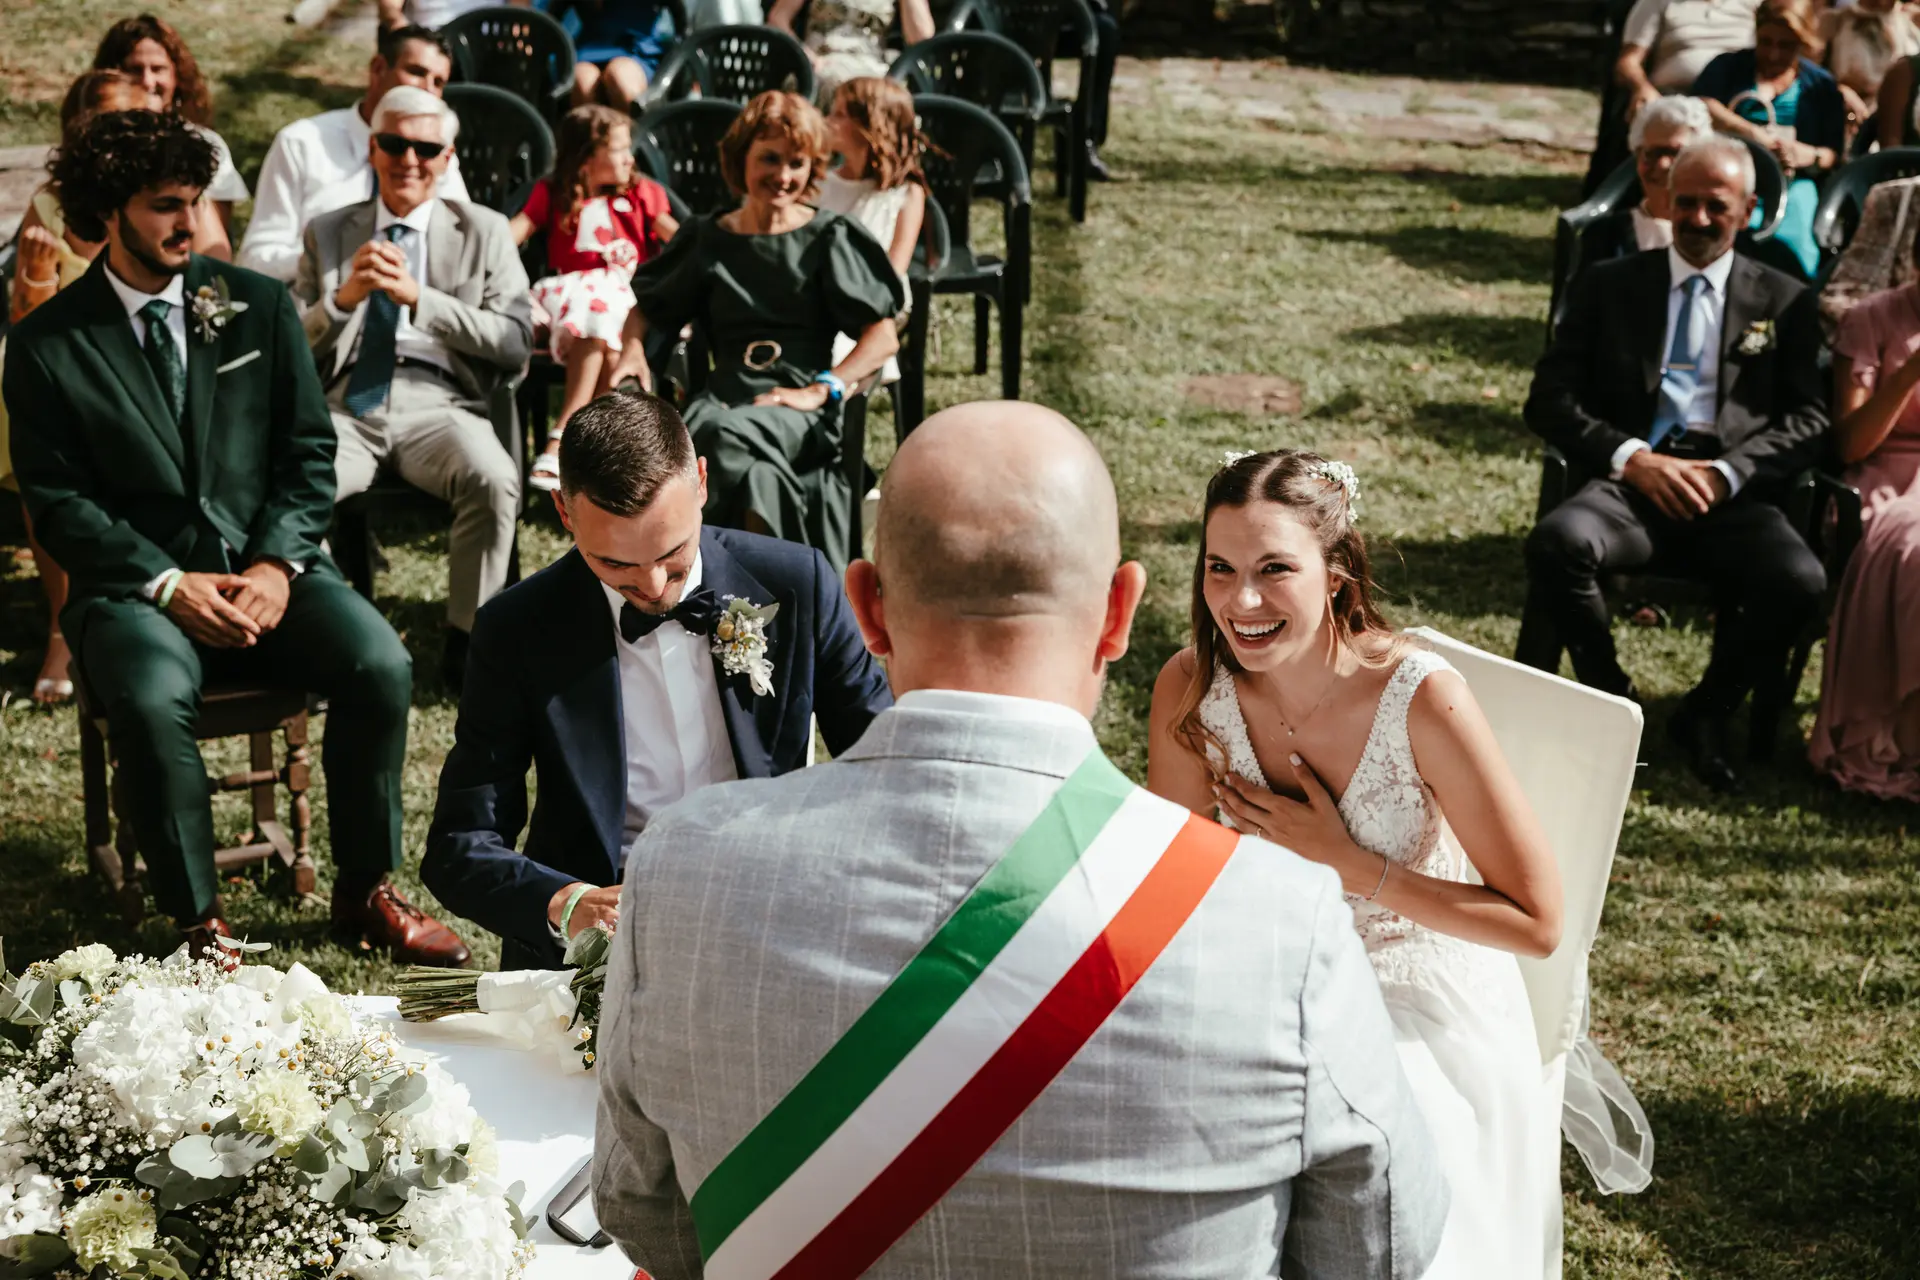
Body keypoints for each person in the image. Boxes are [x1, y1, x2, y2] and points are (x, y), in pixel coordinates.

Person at [590, 401, 1450, 1278]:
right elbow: (1376, 1249)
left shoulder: (678, 872)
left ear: (867, 613)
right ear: (1120, 614)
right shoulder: (1278, 921)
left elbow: (644, 1216)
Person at [2, 110, 468, 966]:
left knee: (381, 664)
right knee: (146, 698)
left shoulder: (252, 305)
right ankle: (199, 927)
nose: (188, 223)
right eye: (163, 206)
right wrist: (169, 583)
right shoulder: (45, 347)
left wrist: (277, 566)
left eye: (195, 202)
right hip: (135, 593)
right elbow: (60, 505)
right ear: (110, 212)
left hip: (269, 569)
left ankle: (366, 892)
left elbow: (306, 452)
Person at [1146, 449, 1574, 1279]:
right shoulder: (1191, 688)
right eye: (1220, 568)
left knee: (1371, 1167)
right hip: (1259, 975)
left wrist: (1352, 866)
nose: (1241, 602)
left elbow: (1537, 921)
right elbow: (1175, 883)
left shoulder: (1418, 696)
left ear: (1337, 573)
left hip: (1410, 991)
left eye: (1276, 570)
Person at [422, 390, 892, 969]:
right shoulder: (515, 628)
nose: (651, 586)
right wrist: (568, 905)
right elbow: (459, 846)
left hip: (771, 911)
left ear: (700, 482)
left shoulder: (798, 583)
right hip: (602, 942)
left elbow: (886, 762)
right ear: (565, 514)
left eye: (672, 554)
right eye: (615, 564)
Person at [1521, 137, 1830, 793]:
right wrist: (1634, 460)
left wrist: (1729, 472)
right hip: (1630, 486)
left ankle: (1705, 713)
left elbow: (1810, 419)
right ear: (1664, 203)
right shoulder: (1609, 285)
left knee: (1800, 581)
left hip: (1730, 496)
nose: (1695, 219)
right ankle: (1613, 700)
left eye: (1714, 207)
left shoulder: (1785, 300)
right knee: (1557, 542)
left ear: (1747, 210)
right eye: (1683, 203)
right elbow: (1549, 399)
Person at [293, 86, 533, 691]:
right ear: (372, 150)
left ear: (448, 158)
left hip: (440, 401)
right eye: (394, 144)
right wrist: (341, 301)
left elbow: (513, 341)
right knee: (295, 492)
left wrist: (422, 301)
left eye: (425, 148)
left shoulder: (485, 231)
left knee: (493, 476)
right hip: (348, 403)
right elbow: (291, 349)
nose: (409, 159)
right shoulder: (329, 231)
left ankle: (467, 643)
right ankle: (325, 635)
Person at [609, 92, 905, 570]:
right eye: (769, 158)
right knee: (755, 472)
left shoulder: (829, 237)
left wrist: (821, 388)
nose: (783, 176)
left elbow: (883, 336)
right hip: (725, 395)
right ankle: (780, 602)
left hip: (798, 407)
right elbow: (648, 308)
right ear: (740, 157)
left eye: (798, 163)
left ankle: (732, 594)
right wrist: (632, 352)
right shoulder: (708, 237)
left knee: (719, 439)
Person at [3, 71, 169, 706]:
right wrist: (39, 278)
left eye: (125, 120)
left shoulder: (162, 198)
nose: (109, 133)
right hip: (63, 364)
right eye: (98, 119)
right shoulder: (48, 205)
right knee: (38, 421)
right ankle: (60, 628)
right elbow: (25, 321)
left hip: (143, 363)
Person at [510, 104, 677, 492]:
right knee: (598, 299)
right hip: (568, 296)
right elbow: (511, 233)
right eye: (619, 149)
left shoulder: (643, 194)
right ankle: (577, 444)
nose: (629, 158)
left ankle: (579, 452)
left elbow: (679, 237)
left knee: (609, 337)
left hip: (624, 306)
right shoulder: (553, 192)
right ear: (587, 157)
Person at [239, 24, 469, 283]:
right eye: (416, 72)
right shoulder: (302, 143)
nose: (427, 90)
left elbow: (467, 243)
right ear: (378, 69)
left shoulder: (434, 157)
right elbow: (255, 262)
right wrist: (328, 256)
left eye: (438, 83)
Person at [1808, 279, 1920, 799]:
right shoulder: (1870, 320)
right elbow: (1851, 444)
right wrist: (1908, 375)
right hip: (1885, 481)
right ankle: (1901, 738)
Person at [1692, 0, 1845, 278]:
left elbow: (1834, 153)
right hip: (1728, 176)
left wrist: (1807, 154)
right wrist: (1751, 133)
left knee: (1793, 249)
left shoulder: (1820, 85)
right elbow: (1701, 106)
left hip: (1792, 182)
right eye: (1766, 42)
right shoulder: (1729, 67)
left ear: (1802, 42)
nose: (1773, 54)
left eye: (1785, 46)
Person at [92, 15, 245, 257]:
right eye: (134, 69)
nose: (147, 81)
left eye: (158, 69)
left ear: (177, 76)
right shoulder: (94, 145)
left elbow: (214, 252)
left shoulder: (205, 145)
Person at [819, 77, 927, 384]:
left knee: (832, 347)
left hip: (876, 301)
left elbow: (894, 269)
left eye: (839, 115)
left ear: (870, 127)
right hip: (820, 292)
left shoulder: (904, 193)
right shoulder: (821, 185)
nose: (828, 121)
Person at [1617, 0, 1765, 118]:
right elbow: (1628, 61)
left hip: (1737, 101)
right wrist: (1642, 88)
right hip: (1674, 101)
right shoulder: (1656, 3)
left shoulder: (1754, 4)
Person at [768, 0, 933, 102]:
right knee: (830, 82)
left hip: (870, 64)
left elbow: (921, 38)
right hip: (819, 60)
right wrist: (804, 54)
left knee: (884, 95)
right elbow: (778, 18)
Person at [555, 0, 677, 111]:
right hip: (591, 48)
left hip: (636, 47)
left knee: (621, 78)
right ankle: (594, 134)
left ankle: (632, 132)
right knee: (583, 83)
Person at [1824, 0, 1920, 122]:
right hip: (1853, 118)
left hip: (1904, 121)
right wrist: (1840, 90)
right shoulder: (1835, 21)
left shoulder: (1912, 21)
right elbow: (1810, 73)